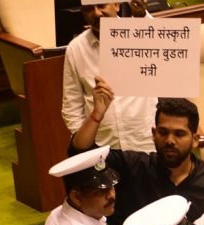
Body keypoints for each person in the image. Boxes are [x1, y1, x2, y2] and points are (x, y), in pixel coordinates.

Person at [72, 92, 204, 225]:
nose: (170, 140)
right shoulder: (132, 167)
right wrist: (96, 116)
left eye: (179, 134)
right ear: (153, 133)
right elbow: (81, 153)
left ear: (195, 139)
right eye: (163, 132)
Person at [62, 1, 156, 152]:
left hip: (144, 142)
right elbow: (71, 106)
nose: (97, 13)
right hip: (103, 147)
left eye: (101, 6)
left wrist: (142, 16)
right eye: (89, 9)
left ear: (117, 5)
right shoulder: (75, 49)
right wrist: (84, 142)